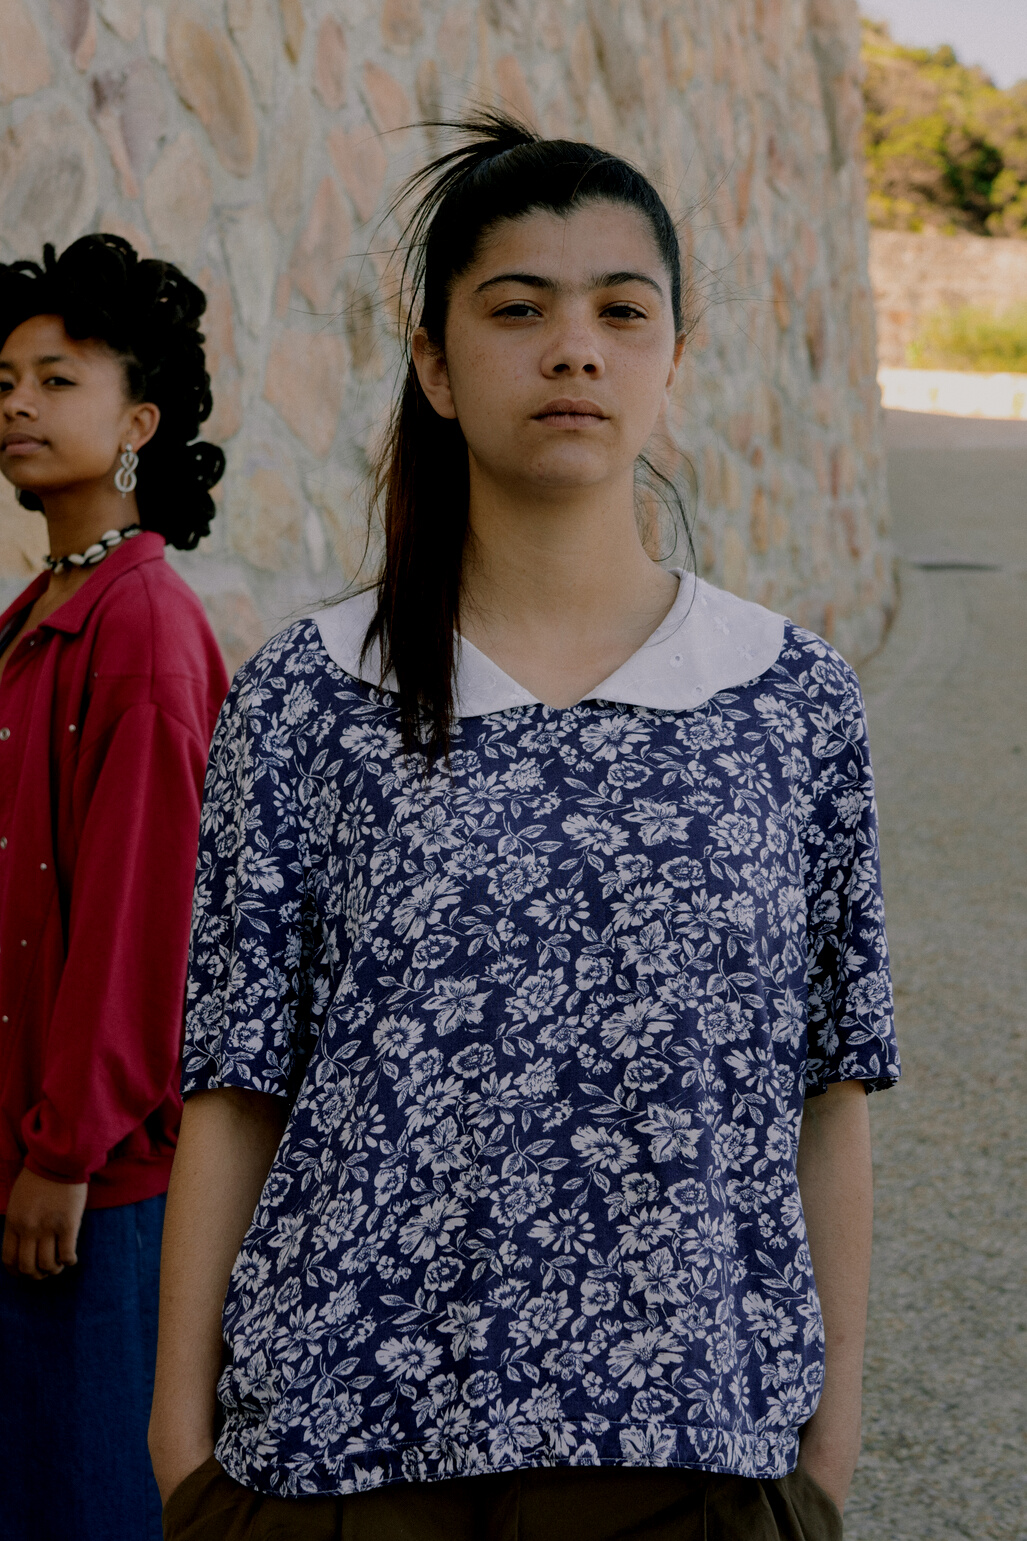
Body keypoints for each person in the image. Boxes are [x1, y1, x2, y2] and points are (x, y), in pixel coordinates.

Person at [150, 117, 899, 1541]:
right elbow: (237, 1088)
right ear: (433, 361)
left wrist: (826, 1446)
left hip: (696, 1462)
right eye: (518, 309)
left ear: (672, 356)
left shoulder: (791, 704)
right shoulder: (310, 697)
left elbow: (829, 1091)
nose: (575, 349)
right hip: (339, 1467)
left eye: (624, 309)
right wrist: (182, 1448)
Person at [0, 234, 229, 1541]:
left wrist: (64, 1150)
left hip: (90, 1188)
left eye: (57, 377)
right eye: (3, 380)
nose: (18, 403)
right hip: (31, 1162)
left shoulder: (139, 626)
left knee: (86, 1506)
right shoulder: (46, 605)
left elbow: (150, 922)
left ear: (138, 419)